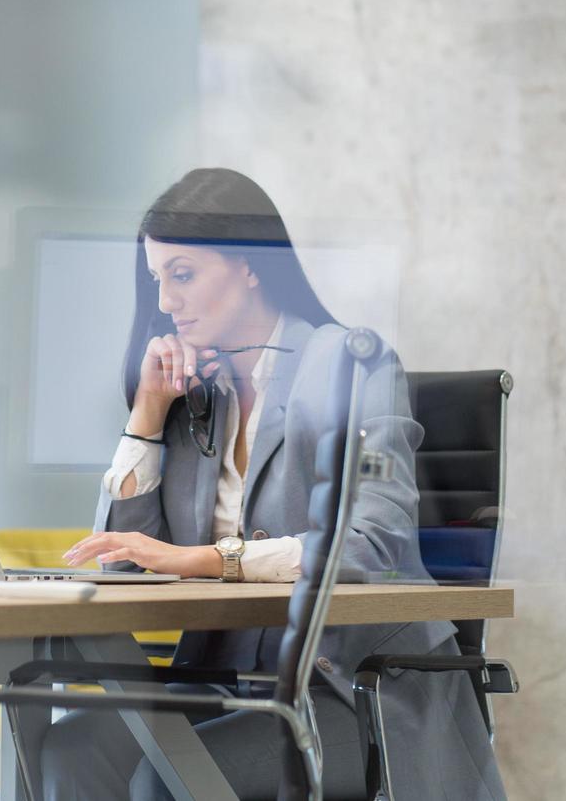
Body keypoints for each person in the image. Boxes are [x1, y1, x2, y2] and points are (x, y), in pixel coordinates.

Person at [40, 168, 506, 800]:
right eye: (157, 281)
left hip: (346, 693)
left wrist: (206, 558)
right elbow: (123, 562)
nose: (166, 302)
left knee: (166, 775)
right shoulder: (193, 395)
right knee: (67, 750)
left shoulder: (348, 365)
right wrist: (147, 414)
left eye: (183, 274)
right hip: (224, 682)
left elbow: (372, 546)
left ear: (249, 265)